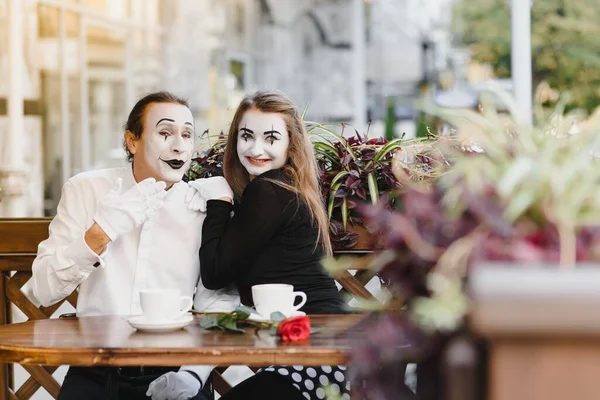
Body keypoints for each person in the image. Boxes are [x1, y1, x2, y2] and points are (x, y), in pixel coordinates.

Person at [31, 91, 238, 400]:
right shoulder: (86, 190)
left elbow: (218, 303)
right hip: (95, 367)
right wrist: (102, 231)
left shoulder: (204, 204)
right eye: (165, 132)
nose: (178, 145)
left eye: (187, 135)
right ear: (132, 140)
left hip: (176, 369)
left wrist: (194, 374)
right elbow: (42, 291)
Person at [188, 90, 350, 400]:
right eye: (246, 136)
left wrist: (219, 202)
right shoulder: (287, 187)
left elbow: (215, 272)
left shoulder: (269, 191)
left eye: (271, 138)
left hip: (317, 355)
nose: (256, 148)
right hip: (322, 350)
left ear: (291, 145)